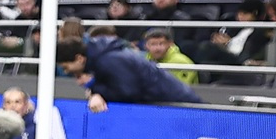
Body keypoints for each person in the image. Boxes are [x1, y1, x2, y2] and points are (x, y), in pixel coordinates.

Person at [59, 23, 202, 109]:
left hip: (180, 105)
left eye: (66, 67)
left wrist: (95, 87)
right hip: (167, 103)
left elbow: (128, 92)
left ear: (79, 59)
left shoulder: (109, 60)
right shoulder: (100, 57)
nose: (67, 72)